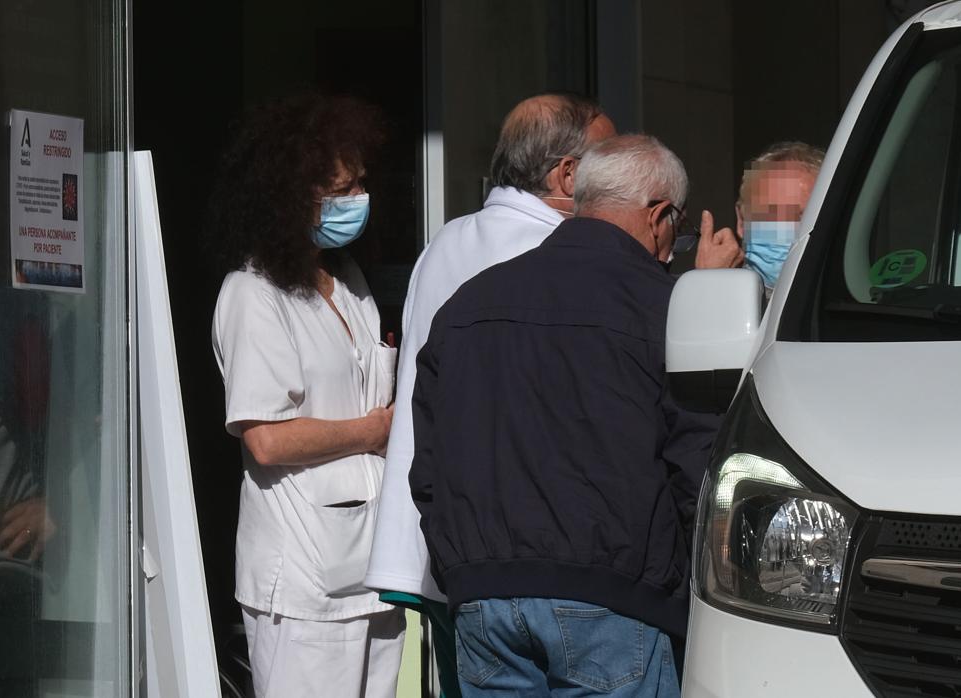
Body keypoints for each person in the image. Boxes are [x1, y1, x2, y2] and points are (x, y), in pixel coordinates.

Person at [409, 135, 721, 697]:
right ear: (658, 216)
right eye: (676, 223)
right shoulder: (665, 307)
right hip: (614, 599)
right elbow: (699, 470)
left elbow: (427, 465)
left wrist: (462, 564)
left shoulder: (467, 303)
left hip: (483, 595)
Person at [208, 93, 404, 698]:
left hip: (373, 572)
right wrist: (372, 432)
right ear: (288, 196)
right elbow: (266, 439)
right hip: (303, 585)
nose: (355, 202)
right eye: (338, 190)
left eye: (359, 186)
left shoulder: (350, 284)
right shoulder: (252, 293)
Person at [736, 141, 825, 291]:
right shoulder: (720, 298)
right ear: (741, 221)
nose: (784, 230)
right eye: (772, 215)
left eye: (801, 217)